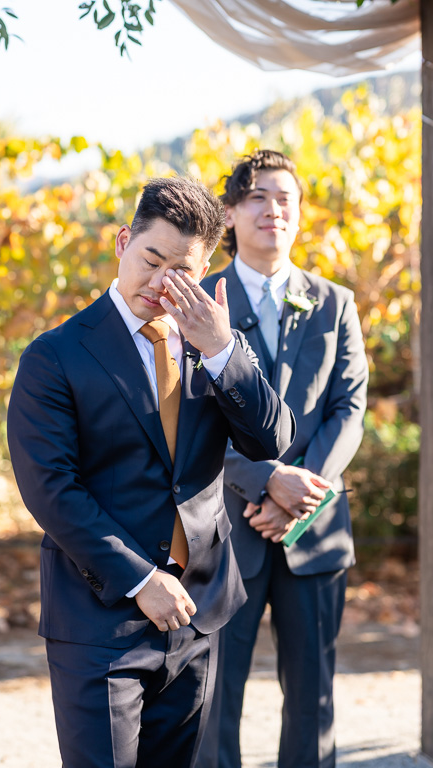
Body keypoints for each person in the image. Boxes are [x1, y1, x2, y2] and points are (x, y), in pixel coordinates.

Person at [7, 176, 295, 768]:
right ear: (121, 243)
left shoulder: (213, 344)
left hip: (198, 613)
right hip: (99, 621)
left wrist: (221, 351)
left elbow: (272, 439)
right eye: (151, 259)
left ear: (206, 269)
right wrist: (141, 579)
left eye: (181, 271)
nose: (162, 282)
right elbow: (51, 489)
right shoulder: (54, 356)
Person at [196, 150, 368, 768]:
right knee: (215, 700)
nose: (274, 209)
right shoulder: (200, 305)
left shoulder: (335, 303)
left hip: (315, 530)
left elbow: (349, 409)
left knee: (312, 700)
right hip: (226, 533)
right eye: (258, 197)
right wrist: (266, 480)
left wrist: (302, 494)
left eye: (285, 198)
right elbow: (192, 421)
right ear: (232, 213)